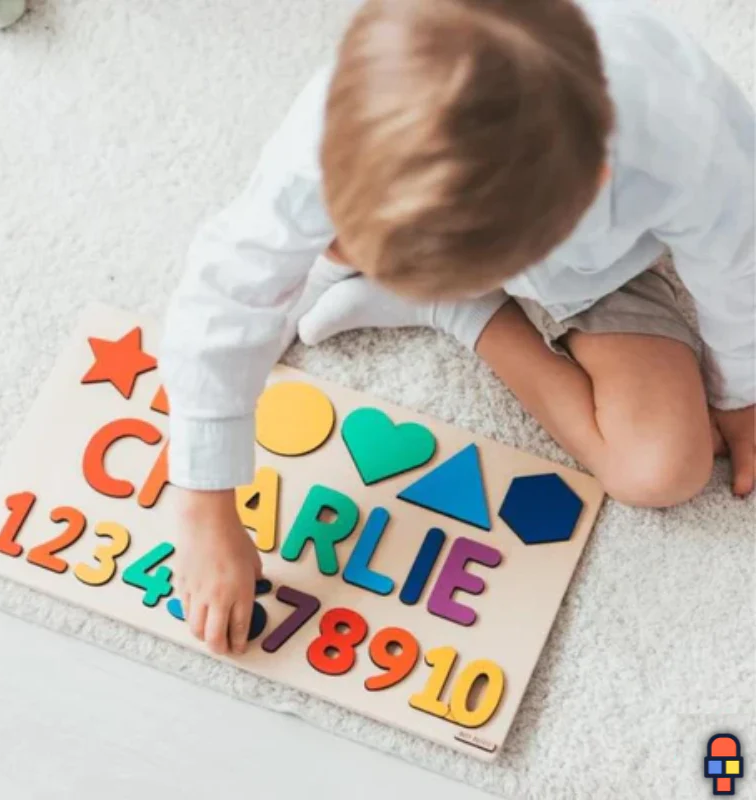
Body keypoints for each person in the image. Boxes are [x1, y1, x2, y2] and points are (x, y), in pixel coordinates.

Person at [159, 0, 755, 656]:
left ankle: (461, 313)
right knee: (235, 337)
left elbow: (741, 270)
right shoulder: (341, 120)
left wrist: (740, 390)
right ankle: (384, 269)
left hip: (596, 271)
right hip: (437, 217)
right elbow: (225, 291)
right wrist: (204, 504)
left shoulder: (688, 136)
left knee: (664, 470)